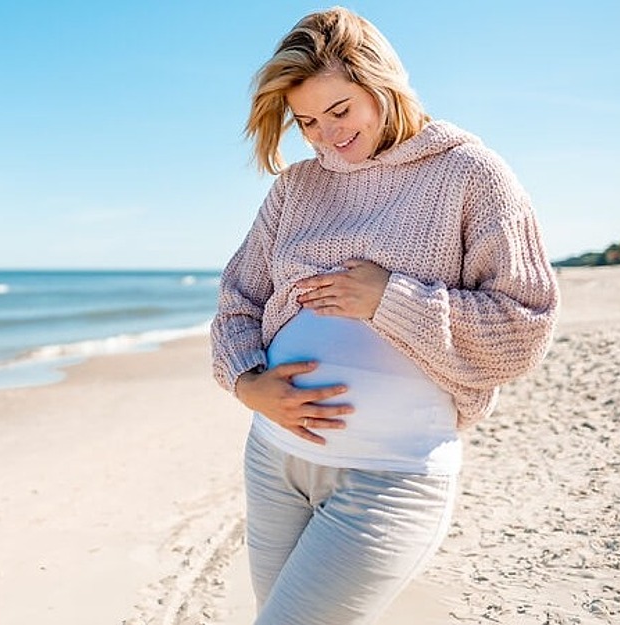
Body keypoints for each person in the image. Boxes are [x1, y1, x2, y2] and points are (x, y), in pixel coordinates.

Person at [210, 7, 560, 625]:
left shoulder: (471, 175)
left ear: (383, 84)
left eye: (340, 111)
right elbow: (238, 298)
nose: (326, 136)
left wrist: (389, 299)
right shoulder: (295, 188)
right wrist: (247, 384)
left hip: (393, 473)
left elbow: (525, 326)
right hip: (274, 460)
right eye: (308, 122)